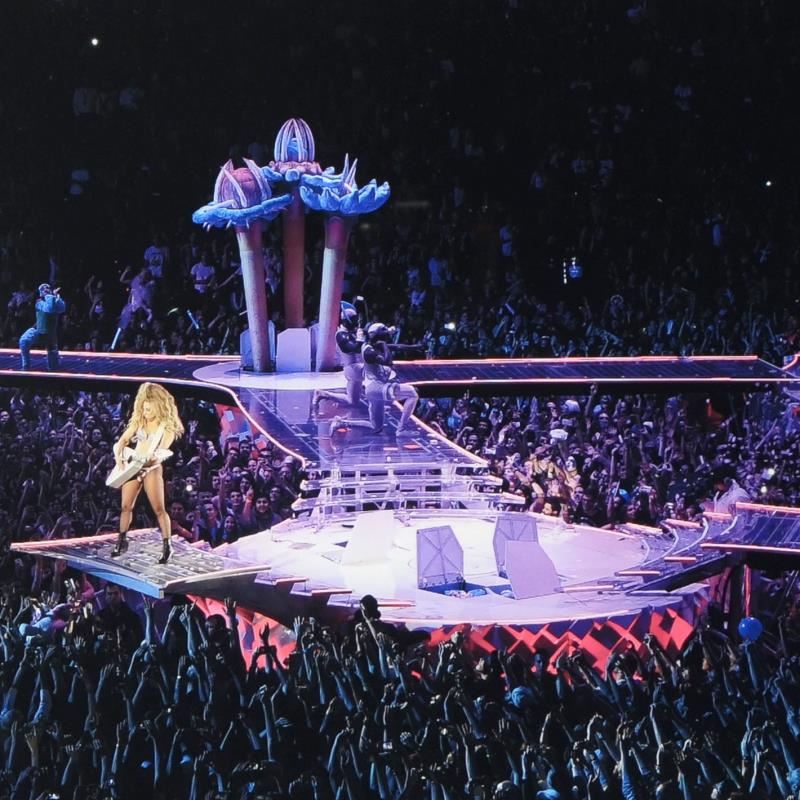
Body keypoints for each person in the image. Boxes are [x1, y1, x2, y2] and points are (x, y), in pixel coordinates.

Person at [110, 382, 185, 563]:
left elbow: (162, 450)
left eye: (149, 409)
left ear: (157, 407)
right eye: (144, 409)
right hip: (133, 465)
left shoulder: (166, 427)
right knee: (126, 506)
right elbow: (122, 441)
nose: (145, 412)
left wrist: (152, 459)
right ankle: (122, 540)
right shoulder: (139, 422)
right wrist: (119, 457)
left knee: (159, 509)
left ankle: (167, 546)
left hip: (151, 467)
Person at [313, 301, 365, 408]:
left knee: (352, 401)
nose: (356, 322)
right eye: (354, 320)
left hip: (357, 368)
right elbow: (353, 348)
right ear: (346, 321)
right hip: (353, 368)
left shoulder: (350, 333)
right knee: (376, 372)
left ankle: (323, 394)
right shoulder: (341, 335)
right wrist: (360, 339)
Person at [18, 283, 66, 370]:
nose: (46, 289)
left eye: (47, 288)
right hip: (38, 331)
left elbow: (62, 308)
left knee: (53, 367)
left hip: (50, 336)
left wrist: (56, 297)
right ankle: (26, 365)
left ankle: (54, 368)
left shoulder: (55, 301)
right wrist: (50, 296)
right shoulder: (39, 302)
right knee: (24, 341)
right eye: (43, 289)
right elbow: (49, 309)